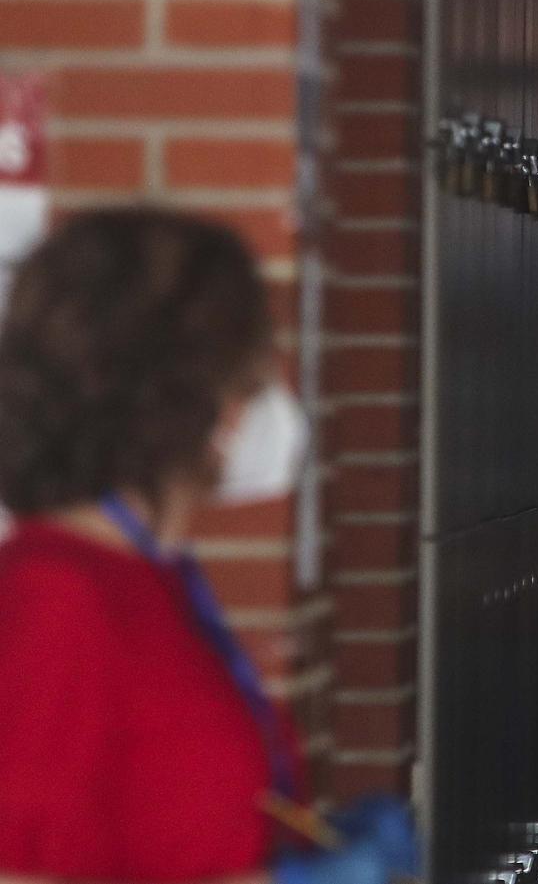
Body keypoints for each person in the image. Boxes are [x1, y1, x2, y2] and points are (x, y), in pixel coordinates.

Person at [0, 209, 418, 884]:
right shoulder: (57, 599)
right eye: (249, 374)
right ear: (195, 398)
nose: (258, 402)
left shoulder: (151, 576)